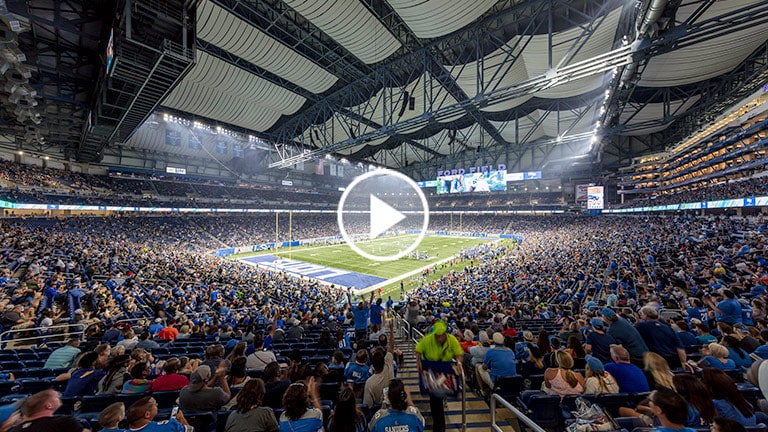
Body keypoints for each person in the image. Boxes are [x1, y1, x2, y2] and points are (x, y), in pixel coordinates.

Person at [415, 320, 463, 432]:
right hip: (431, 368)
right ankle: (439, 426)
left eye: (441, 336)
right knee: (435, 399)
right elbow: (418, 350)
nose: (438, 339)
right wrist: (418, 361)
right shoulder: (428, 339)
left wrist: (459, 363)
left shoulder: (452, 340)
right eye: (437, 336)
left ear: (445, 334)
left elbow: (458, 354)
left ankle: (438, 423)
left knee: (438, 399)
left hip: (445, 370)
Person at [635, 306, 692, 371]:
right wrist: (683, 362)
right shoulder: (668, 328)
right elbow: (679, 347)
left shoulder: (641, 326)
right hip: (672, 361)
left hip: (656, 362)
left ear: (645, 316)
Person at [8, 390, 89, 432]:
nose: (60, 397)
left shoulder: (15, 430)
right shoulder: (63, 422)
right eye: (57, 396)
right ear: (48, 405)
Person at [126, 396, 192, 432]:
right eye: (155, 404)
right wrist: (181, 419)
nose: (157, 404)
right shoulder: (170, 426)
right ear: (147, 414)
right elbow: (191, 430)